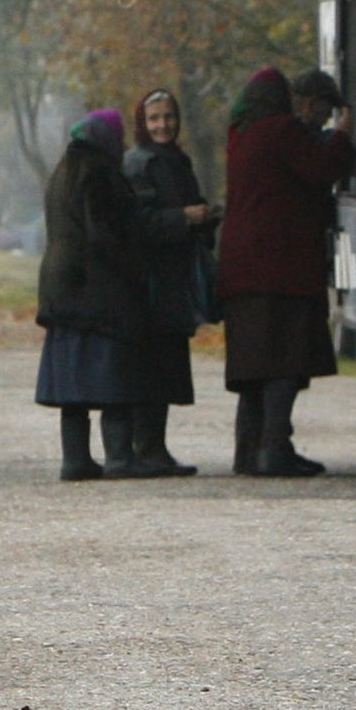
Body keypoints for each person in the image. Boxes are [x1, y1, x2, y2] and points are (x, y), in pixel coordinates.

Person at [36, 109, 190, 480]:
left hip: (62, 288)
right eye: (117, 137)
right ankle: (120, 457)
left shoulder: (62, 171)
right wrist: (133, 268)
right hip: (99, 292)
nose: (121, 145)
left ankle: (75, 460)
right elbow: (106, 234)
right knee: (113, 374)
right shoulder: (99, 173)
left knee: (73, 379)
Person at [218, 66, 355, 477]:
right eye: (321, 109)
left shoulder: (241, 134)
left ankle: (248, 450)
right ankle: (275, 449)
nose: (315, 115)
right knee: (284, 360)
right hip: (281, 266)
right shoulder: (281, 131)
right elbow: (322, 167)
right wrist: (345, 133)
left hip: (241, 267)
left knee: (253, 365)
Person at [122, 88, 216, 475]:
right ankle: (144, 448)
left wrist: (206, 218)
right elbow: (137, 223)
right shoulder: (139, 163)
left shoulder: (177, 160)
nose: (163, 125)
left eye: (169, 117)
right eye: (155, 118)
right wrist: (184, 218)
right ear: (143, 122)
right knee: (150, 366)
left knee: (166, 365)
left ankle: (154, 446)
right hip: (149, 282)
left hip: (173, 279)